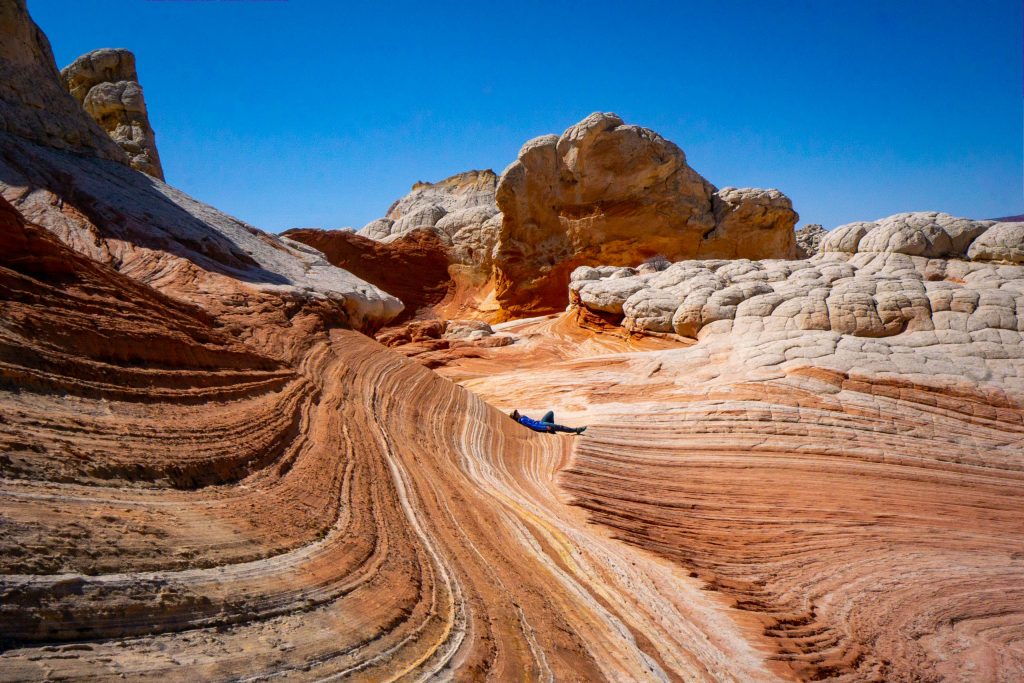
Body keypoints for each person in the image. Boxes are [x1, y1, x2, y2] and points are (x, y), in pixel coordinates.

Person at [510, 409, 587, 435]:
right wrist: (545, 428)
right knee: (560, 427)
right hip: (541, 425)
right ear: (515, 417)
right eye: (516, 413)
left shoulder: (522, 417)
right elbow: (533, 427)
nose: (517, 412)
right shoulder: (522, 420)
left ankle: (552, 431)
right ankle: (576, 430)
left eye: (516, 412)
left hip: (540, 422)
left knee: (550, 413)